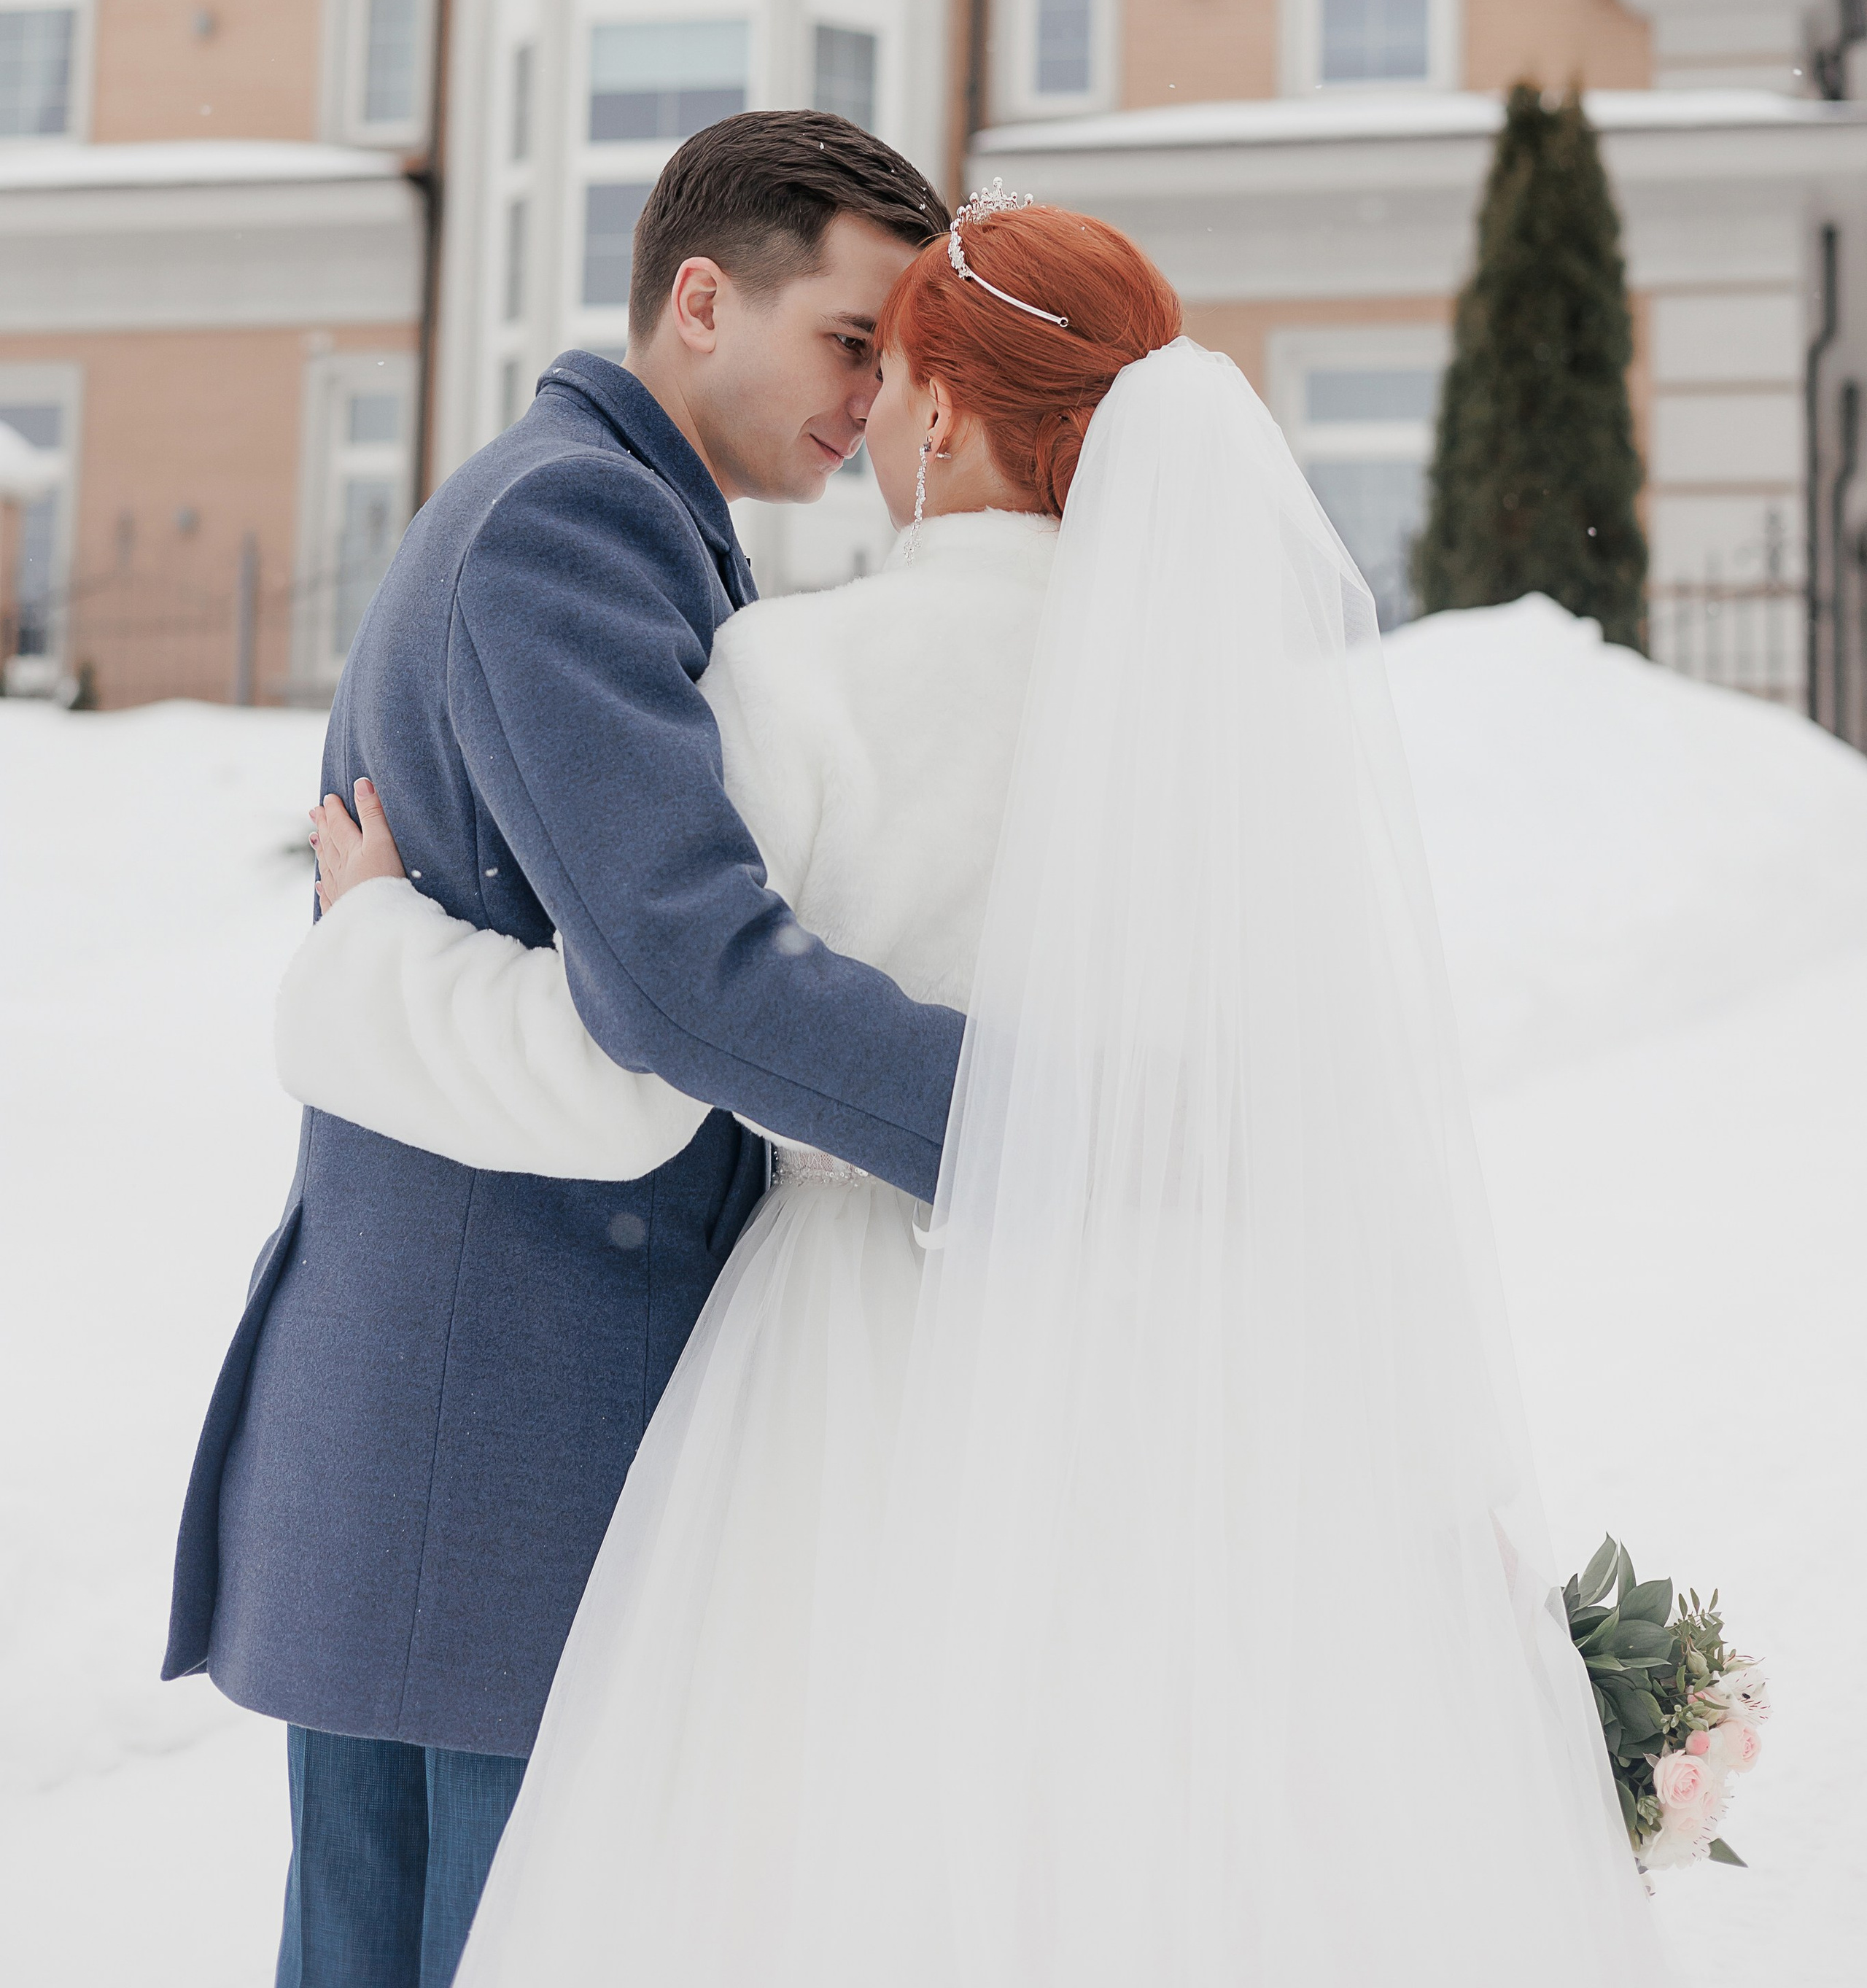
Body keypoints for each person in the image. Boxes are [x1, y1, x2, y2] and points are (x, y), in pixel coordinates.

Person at [286, 191, 1665, 1987]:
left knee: (813, 1847)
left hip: (856, 1342)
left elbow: (645, 1046)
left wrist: (369, 947)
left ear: (941, 415)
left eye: (888, 374)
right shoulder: (1230, 736)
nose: (861, 421)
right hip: (1166, 1359)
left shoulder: (800, 680)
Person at [162, 111, 969, 1988]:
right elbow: (686, 972)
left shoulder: (627, 523)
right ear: (702, 298)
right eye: (852, 340)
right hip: (492, 1433)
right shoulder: (575, 524)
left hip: (455, 1428)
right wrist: (1031, 1123)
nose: (875, 395)